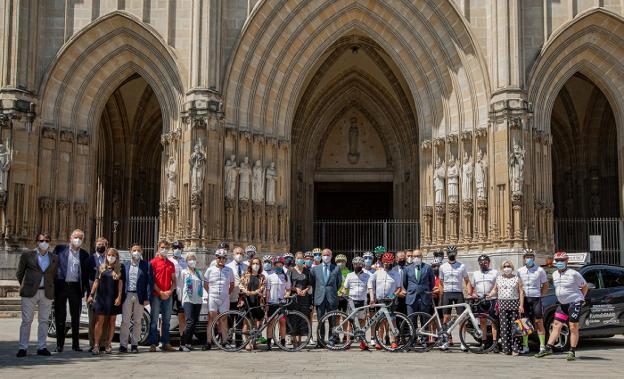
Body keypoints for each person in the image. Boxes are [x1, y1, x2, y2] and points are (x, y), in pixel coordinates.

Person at [535, 251, 588, 361]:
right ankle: (548, 348)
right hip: (562, 304)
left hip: (574, 303)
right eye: (558, 261)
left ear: (566, 261)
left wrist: (581, 298)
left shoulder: (574, 273)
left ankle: (572, 351)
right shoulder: (554, 274)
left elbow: (584, 286)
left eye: (562, 260)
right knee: (556, 325)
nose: (559, 262)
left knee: (573, 326)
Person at [16, 233, 58, 357]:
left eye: (46, 240)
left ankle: (42, 347)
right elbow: (20, 273)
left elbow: (54, 275)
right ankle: (23, 348)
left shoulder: (54, 257)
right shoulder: (27, 255)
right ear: (36, 242)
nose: (44, 242)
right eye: (41, 240)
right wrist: (27, 285)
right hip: (29, 292)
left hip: (46, 292)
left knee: (44, 321)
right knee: (26, 321)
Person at [53, 229, 90, 352]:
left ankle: (76, 345)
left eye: (80, 238)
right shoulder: (59, 250)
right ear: (70, 238)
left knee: (76, 317)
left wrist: (86, 291)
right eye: (76, 237)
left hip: (75, 288)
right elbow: (52, 267)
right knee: (60, 316)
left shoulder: (84, 254)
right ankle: (60, 345)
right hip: (61, 286)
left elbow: (86, 274)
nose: (78, 240)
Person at [87, 248, 125, 355]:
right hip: (101, 298)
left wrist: (119, 297)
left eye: (113, 255)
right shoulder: (101, 268)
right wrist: (91, 294)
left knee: (112, 322)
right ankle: (96, 345)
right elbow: (96, 282)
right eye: (109, 255)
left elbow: (120, 284)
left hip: (113, 298)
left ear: (116, 257)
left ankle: (108, 344)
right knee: (99, 322)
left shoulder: (120, 268)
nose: (111, 257)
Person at [438, 245, 473, 350]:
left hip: (458, 293)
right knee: (446, 318)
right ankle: (446, 341)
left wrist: (469, 293)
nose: (451, 255)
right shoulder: (442, 267)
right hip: (447, 293)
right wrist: (441, 296)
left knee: (462, 318)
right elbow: (440, 282)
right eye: (449, 253)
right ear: (447, 255)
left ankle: (463, 342)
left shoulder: (461, 266)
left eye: (453, 253)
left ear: (456, 254)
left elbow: (467, 281)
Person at [487, 260, 524, 356]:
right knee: (504, 327)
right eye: (504, 266)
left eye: (508, 266)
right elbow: (495, 289)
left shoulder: (516, 278)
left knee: (515, 327)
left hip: (514, 304)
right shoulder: (499, 278)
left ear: (512, 267)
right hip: (502, 304)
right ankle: (506, 349)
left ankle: (515, 349)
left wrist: (521, 305)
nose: (507, 268)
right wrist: (490, 295)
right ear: (502, 268)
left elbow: (521, 292)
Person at [367, 252, 402, 350]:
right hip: (380, 300)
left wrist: (393, 295)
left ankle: (393, 341)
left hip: (391, 300)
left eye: (389, 262)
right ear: (383, 262)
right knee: (380, 322)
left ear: (392, 262)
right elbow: (370, 283)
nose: (387, 264)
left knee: (392, 321)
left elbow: (399, 288)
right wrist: (372, 297)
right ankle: (380, 341)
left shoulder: (396, 274)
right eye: (385, 262)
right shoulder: (378, 272)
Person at [119, 244, 150, 353]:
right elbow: (121, 281)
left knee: (137, 321)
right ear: (130, 251)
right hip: (127, 295)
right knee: (125, 321)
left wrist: (147, 297)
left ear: (141, 252)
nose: (136, 252)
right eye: (134, 250)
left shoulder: (145, 265)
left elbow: (148, 283)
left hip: (139, 296)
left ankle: (134, 344)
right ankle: (123, 345)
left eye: (138, 250)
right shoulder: (125, 265)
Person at [517, 249, 549, 354]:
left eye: (530, 257)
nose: (529, 259)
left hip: (536, 298)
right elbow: (519, 286)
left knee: (539, 322)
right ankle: (525, 346)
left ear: (534, 258)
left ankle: (542, 346)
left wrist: (541, 295)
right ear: (524, 258)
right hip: (525, 299)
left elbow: (545, 285)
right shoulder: (520, 270)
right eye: (527, 257)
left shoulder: (540, 270)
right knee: (525, 322)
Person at [310, 248, 342, 348]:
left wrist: (331, 291)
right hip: (320, 298)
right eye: (324, 255)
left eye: (328, 255)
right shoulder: (315, 269)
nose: (326, 257)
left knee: (332, 320)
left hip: (331, 297)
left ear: (331, 256)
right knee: (320, 321)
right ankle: (320, 341)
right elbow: (313, 283)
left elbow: (339, 283)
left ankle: (332, 340)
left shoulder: (336, 268)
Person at [203, 248, 235, 350]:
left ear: (226, 259)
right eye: (219, 257)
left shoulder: (229, 270)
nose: (221, 259)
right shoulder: (210, 269)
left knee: (224, 319)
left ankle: (224, 341)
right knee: (211, 319)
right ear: (216, 258)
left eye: (224, 258)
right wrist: (211, 294)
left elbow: (232, 284)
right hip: (213, 297)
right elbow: (205, 284)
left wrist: (227, 294)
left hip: (224, 297)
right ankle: (208, 341)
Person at [148, 240, 176, 352]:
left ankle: (165, 343)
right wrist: (161, 292)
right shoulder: (153, 263)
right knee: (154, 320)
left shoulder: (171, 264)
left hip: (168, 295)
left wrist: (169, 291)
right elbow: (152, 281)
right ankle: (153, 344)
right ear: (158, 248)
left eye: (166, 248)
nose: (164, 250)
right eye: (162, 247)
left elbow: (174, 280)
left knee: (166, 320)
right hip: (156, 295)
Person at [470, 254, 499, 352]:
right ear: (479, 263)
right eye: (481, 262)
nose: (483, 264)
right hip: (480, 300)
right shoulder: (475, 274)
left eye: (486, 262)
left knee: (493, 322)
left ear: (489, 262)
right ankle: (484, 342)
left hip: (492, 299)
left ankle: (495, 344)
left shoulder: (494, 272)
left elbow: (497, 285)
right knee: (482, 322)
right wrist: (473, 294)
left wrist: (491, 294)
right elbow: (471, 286)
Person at [238, 257, 267, 351]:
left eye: (257, 264)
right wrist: (246, 291)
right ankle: (246, 343)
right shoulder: (246, 275)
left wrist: (254, 292)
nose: (255, 265)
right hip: (246, 300)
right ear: (250, 265)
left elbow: (263, 287)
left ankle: (253, 342)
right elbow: (240, 284)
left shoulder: (262, 277)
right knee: (246, 322)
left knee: (256, 323)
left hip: (257, 301)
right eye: (254, 263)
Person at [178, 252, 204, 352]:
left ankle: (188, 343)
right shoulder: (184, 272)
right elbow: (180, 287)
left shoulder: (199, 273)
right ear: (186, 261)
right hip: (187, 299)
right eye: (189, 259)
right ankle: (182, 343)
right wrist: (181, 300)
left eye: (193, 259)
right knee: (189, 322)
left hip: (198, 300)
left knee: (194, 322)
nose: (192, 261)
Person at [87, 237, 109, 353]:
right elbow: (86, 276)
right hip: (94, 292)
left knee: (104, 319)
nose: (100, 246)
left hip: (106, 292)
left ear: (106, 246)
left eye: (103, 244)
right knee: (93, 319)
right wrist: (88, 293)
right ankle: (92, 343)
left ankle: (102, 343)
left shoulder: (109, 259)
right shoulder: (90, 259)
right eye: (98, 244)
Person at [343, 256, 370, 350]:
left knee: (362, 321)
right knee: (350, 322)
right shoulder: (349, 275)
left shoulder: (367, 276)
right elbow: (345, 287)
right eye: (355, 264)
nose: (356, 265)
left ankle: (362, 342)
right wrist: (342, 293)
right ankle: (348, 342)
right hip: (352, 301)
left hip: (362, 301)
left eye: (359, 264)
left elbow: (370, 288)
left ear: (362, 265)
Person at [403, 249, 435, 327]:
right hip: (411, 298)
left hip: (424, 298)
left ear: (421, 257)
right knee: (411, 321)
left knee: (425, 321)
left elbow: (432, 282)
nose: (416, 258)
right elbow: (405, 283)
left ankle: (424, 339)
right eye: (414, 256)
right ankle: (413, 338)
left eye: (418, 256)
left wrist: (425, 289)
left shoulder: (428, 268)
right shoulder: (407, 269)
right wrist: (412, 289)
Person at [265, 256, 291, 350]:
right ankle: (268, 343)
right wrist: (267, 304)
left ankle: (282, 342)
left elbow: (288, 290)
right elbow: (267, 291)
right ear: (274, 266)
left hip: (282, 304)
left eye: (280, 265)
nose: (278, 266)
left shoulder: (286, 277)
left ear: (282, 265)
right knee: (270, 323)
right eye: (276, 265)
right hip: (272, 303)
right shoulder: (270, 277)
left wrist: (286, 295)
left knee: (282, 322)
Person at [288, 252, 313, 349]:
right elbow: (287, 285)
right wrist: (296, 289)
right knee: (293, 318)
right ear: (295, 259)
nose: (300, 260)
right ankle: (294, 340)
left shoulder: (307, 271)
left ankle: (300, 340)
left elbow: (310, 284)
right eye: (298, 258)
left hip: (304, 299)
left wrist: (305, 290)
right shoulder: (290, 271)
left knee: (303, 319)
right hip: (294, 298)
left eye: (301, 258)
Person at [169, 240, 187, 343]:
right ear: (172, 249)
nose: (177, 250)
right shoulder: (169, 261)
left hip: (181, 291)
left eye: (179, 248)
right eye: (175, 248)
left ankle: (182, 339)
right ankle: (164, 341)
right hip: (171, 290)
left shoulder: (185, 261)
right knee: (166, 315)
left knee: (182, 315)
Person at [392, 251, 408, 315]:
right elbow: (391, 284)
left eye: (403, 258)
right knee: (397, 317)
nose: (402, 260)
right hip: (396, 297)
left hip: (407, 296)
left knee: (406, 317)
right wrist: (398, 293)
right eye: (400, 259)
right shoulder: (393, 270)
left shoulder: (409, 269)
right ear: (396, 260)